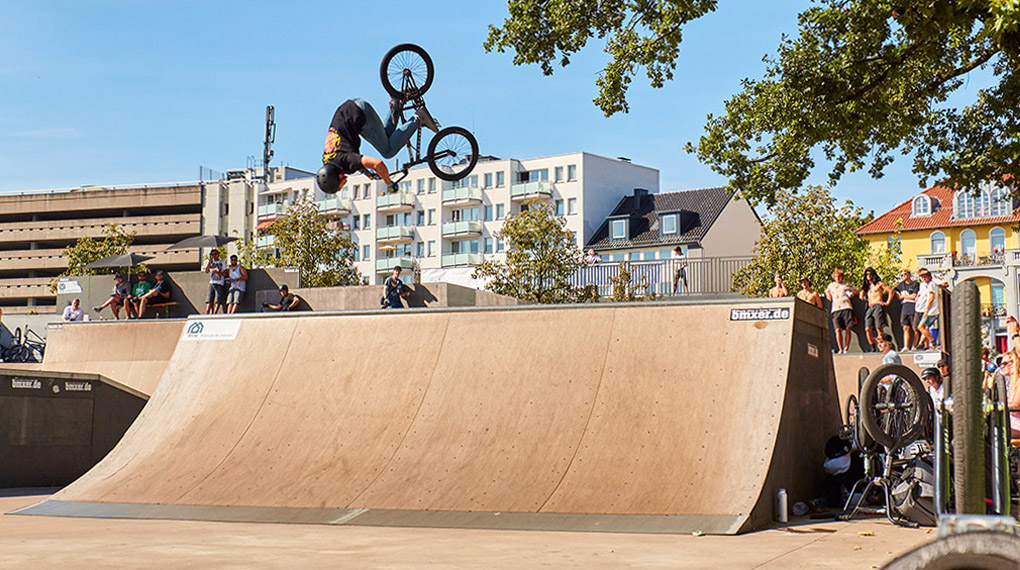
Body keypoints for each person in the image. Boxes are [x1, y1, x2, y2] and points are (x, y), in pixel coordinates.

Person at [316, 97, 438, 196]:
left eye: (339, 187)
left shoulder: (343, 162)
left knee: (388, 151)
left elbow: (377, 163)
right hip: (353, 108)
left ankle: (418, 118)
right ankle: (396, 105)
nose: (342, 187)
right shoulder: (329, 160)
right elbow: (354, 161)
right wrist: (368, 173)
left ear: (336, 178)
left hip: (360, 114)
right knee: (385, 139)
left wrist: (389, 183)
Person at [825, 269, 860, 354]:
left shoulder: (846, 284)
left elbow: (857, 291)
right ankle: (840, 349)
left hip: (846, 307)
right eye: (836, 276)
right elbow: (827, 293)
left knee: (848, 328)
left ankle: (846, 348)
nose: (838, 278)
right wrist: (827, 295)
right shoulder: (831, 285)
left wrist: (851, 292)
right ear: (834, 277)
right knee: (838, 329)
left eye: (839, 276)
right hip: (836, 309)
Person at [860, 267, 893, 352]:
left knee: (879, 327)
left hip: (878, 305)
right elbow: (861, 295)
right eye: (867, 274)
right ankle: (872, 347)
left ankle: (882, 346)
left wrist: (887, 302)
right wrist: (862, 294)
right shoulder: (867, 286)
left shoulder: (879, 284)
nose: (869, 276)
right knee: (868, 329)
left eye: (870, 274)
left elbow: (891, 291)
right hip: (870, 306)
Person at [894, 269, 920, 351]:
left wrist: (904, 296)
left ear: (909, 274)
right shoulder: (901, 285)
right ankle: (906, 346)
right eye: (902, 275)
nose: (904, 276)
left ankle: (914, 346)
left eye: (905, 274)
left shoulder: (915, 284)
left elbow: (913, 296)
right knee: (906, 327)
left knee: (915, 327)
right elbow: (894, 290)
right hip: (904, 307)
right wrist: (898, 294)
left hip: (913, 306)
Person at [916, 268, 939, 349]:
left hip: (932, 311)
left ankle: (933, 342)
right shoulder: (925, 285)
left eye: (925, 276)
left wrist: (927, 309)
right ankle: (921, 344)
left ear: (929, 276)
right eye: (922, 277)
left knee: (920, 327)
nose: (923, 278)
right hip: (931, 310)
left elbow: (931, 297)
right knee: (925, 328)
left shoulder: (931, 284)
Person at [204, 250, 227, 315]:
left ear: (218, 254)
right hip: (212, 282)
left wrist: (218, 273)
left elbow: (225, 274)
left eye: (215, 254)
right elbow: (206, 271)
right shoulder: (211, 263)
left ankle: (214, 313)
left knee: (218, 300)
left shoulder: (222, 262)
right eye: (212, 254)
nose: (214, 256)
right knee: (209, 299)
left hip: (219, 283)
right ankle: (207, 313)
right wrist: (209, 262)